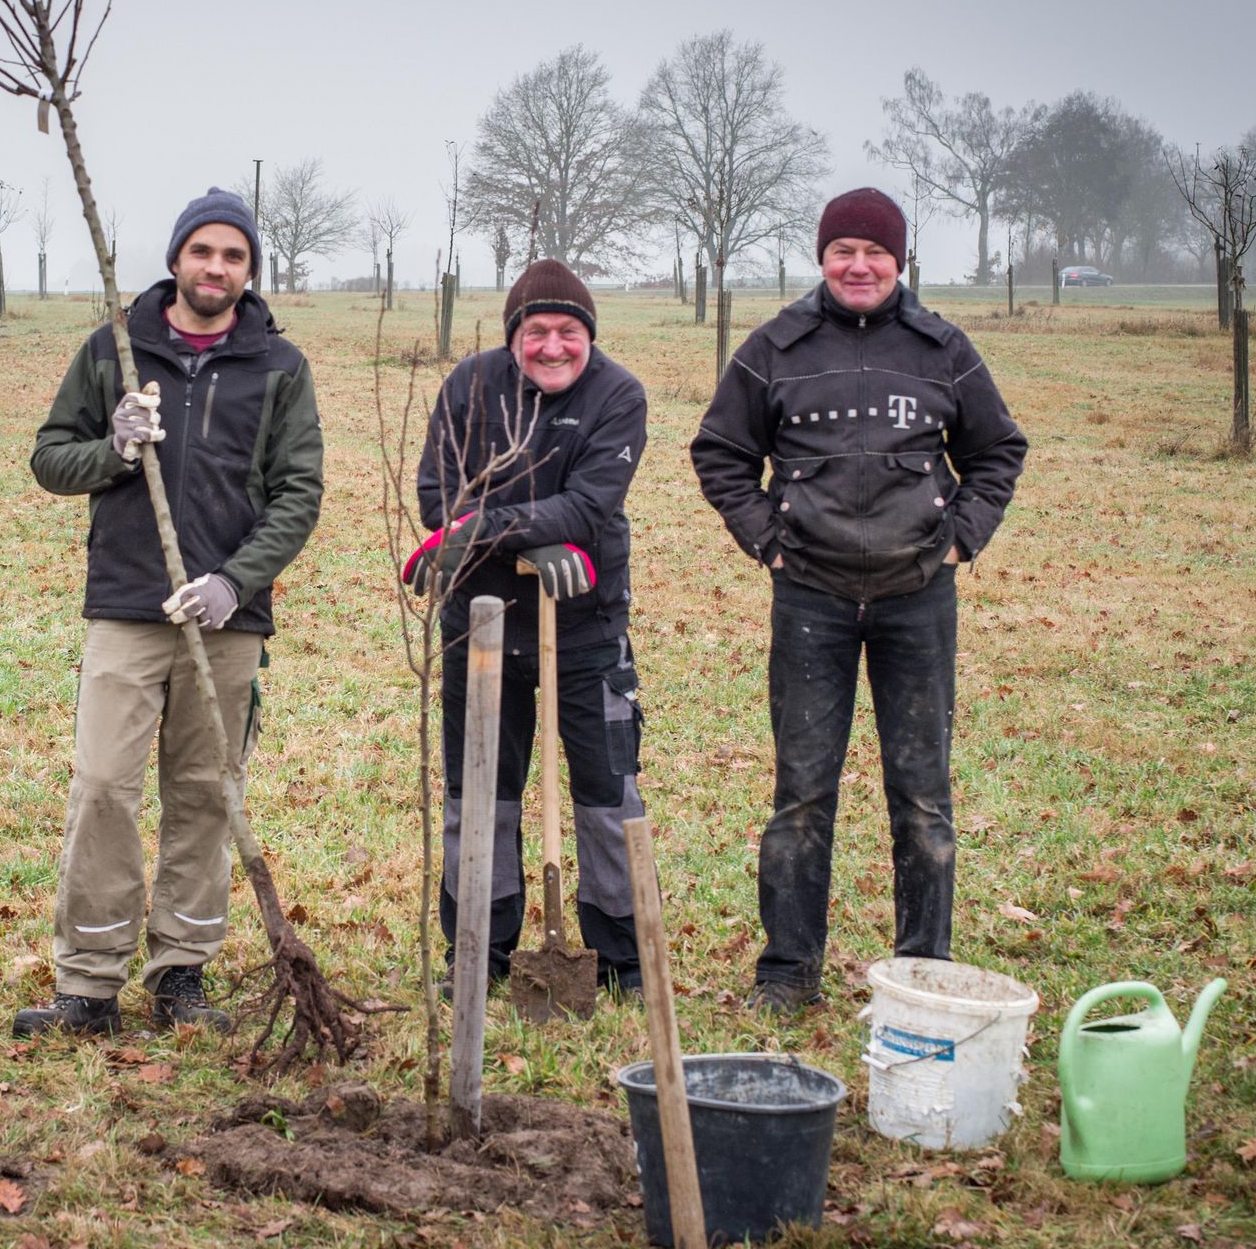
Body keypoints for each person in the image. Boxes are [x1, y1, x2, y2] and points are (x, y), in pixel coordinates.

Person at [690, 187, 1028, 1015]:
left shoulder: (944, 348)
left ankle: (923, 977)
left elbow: (999, 450)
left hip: (920, 598)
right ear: (822, 258)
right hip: (811, 599)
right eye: (843, 249)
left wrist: (960, 536)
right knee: (802, 792)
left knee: (923, 797)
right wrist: (768, 538)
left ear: (899, 260)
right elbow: (719, 452)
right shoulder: (775, 346)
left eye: (875, 251)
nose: (859, 265)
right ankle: (787, 975)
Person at [18, 187, 324, 1038]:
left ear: (250, 271)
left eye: (233, 256)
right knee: (104, 789)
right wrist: (112, 449)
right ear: (176, 259)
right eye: (203, 252)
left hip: (226, 622)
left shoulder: (278, 368)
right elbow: (50, 458)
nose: (216, 268)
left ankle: (181, 974)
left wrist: (235, 582)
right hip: (125, 604)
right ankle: (87, 985)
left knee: (203, 793)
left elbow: (300, 494)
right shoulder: (117, 348)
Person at [404, 260, 649, 990]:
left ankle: (623, 958)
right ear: (513, 336)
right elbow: (432, 497)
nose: (552, 346)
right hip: (479, 624)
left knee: (609, 794)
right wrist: (533, 536)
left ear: (589, 336)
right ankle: (479, 949)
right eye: (536, 331)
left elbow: (589, 504)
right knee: (479, 793)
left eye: (568, 332)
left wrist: (491, 527)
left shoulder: (618, 395)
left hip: (585, 628)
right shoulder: (471, 386)